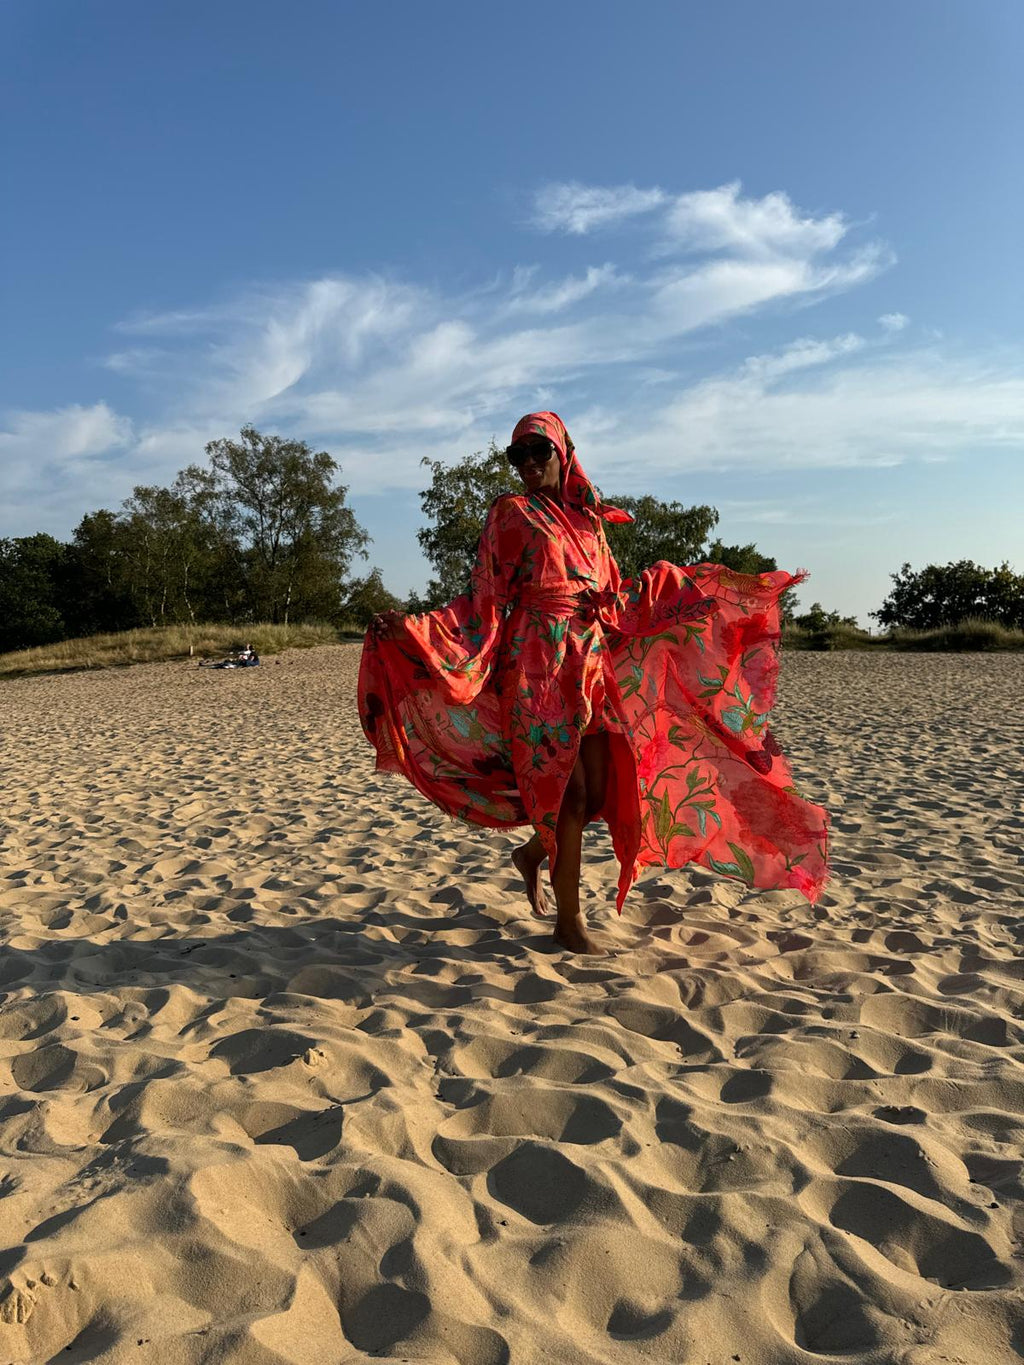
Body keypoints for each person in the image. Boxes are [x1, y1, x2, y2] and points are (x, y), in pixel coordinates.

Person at [360, 412, 828, 954]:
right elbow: (483, 598)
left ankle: (534, 854)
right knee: (570, 791)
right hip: (534, 659)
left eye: (540, 451)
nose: (530, 463)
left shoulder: (590, 523)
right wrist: (416, 629)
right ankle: (569, 921)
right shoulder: (510, 514)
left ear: (564, 452)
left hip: (590, 657)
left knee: (605, 788)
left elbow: (612, 591)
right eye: (519, 456)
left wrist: (681, 591)